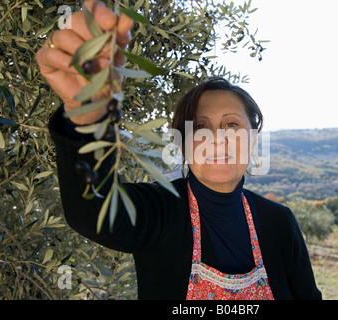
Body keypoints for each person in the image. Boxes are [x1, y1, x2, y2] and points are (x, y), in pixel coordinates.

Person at [36, 0, 322, 300]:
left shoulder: (279, 222)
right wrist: (87, 115)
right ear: (183, 144)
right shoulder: (159, 210)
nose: (216, 138)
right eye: (199, 127)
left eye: (232, 125)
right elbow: (92, 211)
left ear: (254, 138)